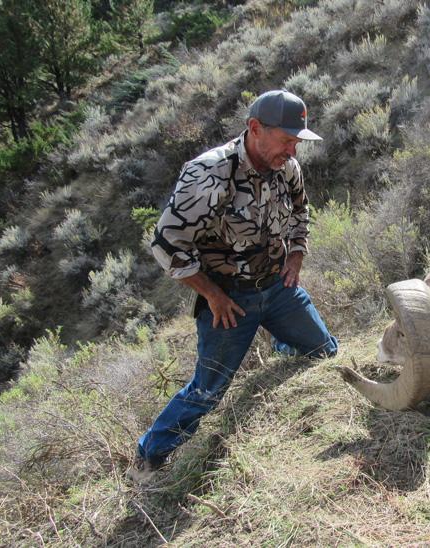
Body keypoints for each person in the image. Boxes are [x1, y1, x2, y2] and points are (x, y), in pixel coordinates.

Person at [128, 90, 338, 483]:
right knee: (208, 391)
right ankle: (148, 456)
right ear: (255, 129)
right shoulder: (207, 174)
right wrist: (211, 294)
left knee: (326, 353)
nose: (293, 151)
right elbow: (166, 244)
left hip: (278, 288)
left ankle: (283, 346)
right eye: (286, 139)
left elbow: (300, 209)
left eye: (297, 141)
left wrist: (296, 253)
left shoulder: (287, 166)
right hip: (229, 301)